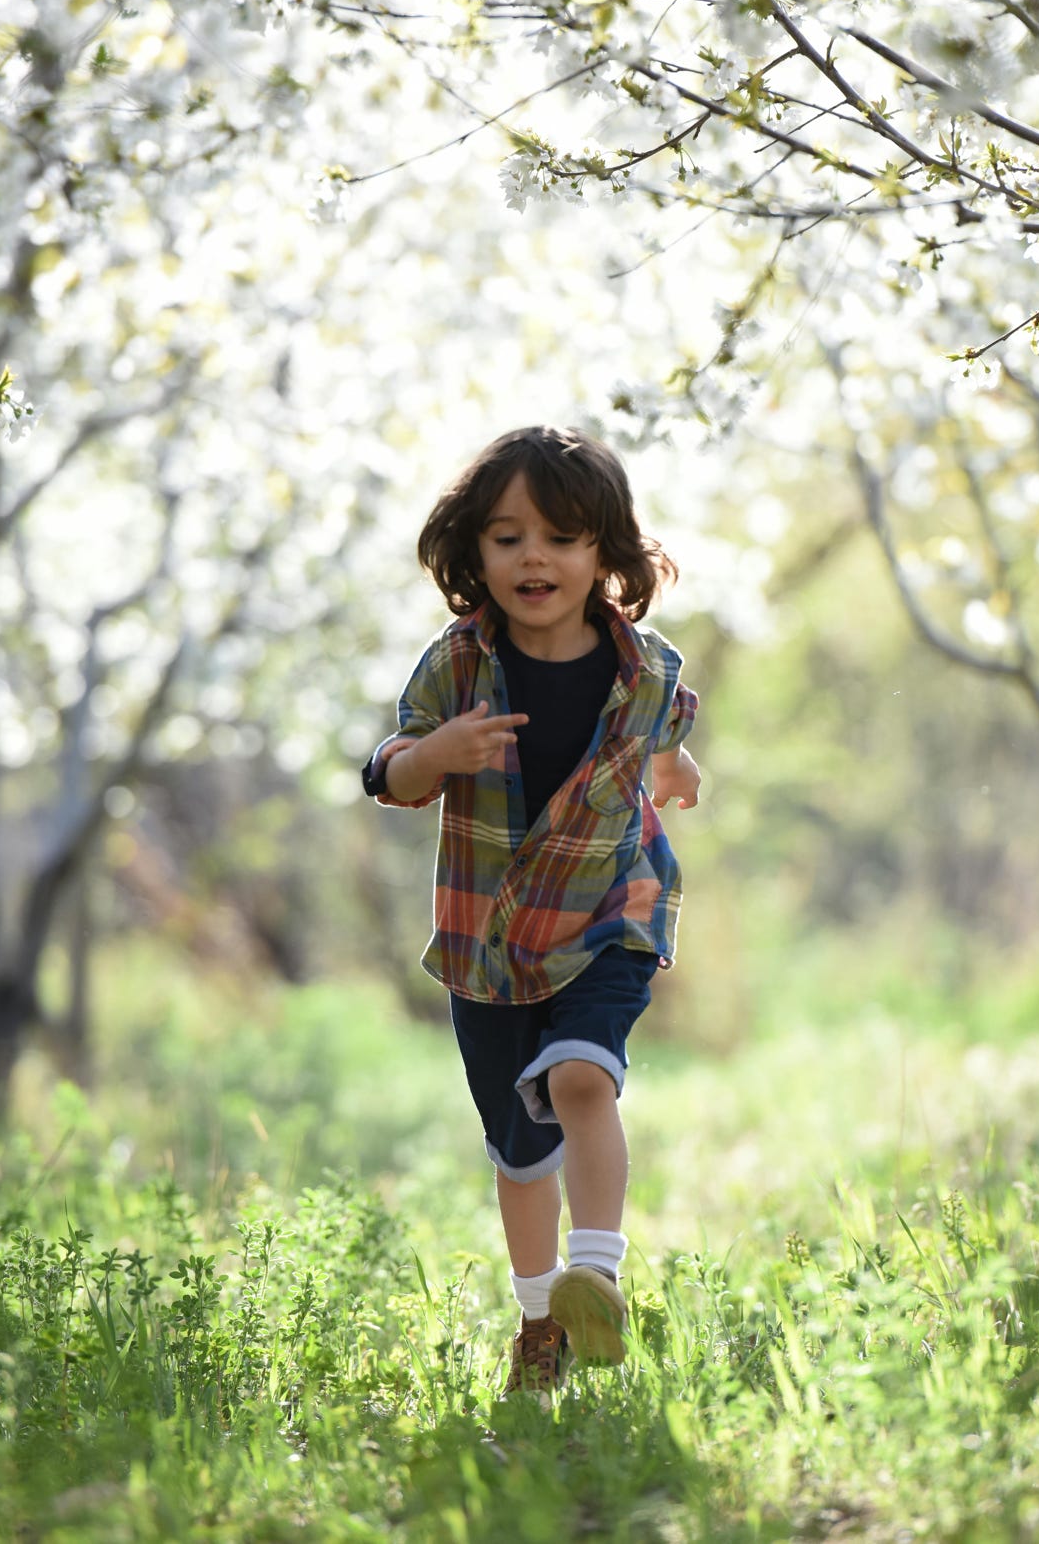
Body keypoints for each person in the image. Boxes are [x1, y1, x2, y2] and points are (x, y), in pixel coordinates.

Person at [361, 425, 701, 1401]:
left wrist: (676, 769)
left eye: (559, 536)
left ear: (605, 554)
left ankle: (595, 1271)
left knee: (583, 1079)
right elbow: (387, 769)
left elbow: (668, 728)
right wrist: (435, 758)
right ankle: (539, 1318)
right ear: (472, 554)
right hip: (493, 943)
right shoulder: (457, 669)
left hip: (610, 910)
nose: (533, 558)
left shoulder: (644, 667)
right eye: (506, 538)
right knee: (521, 1147)